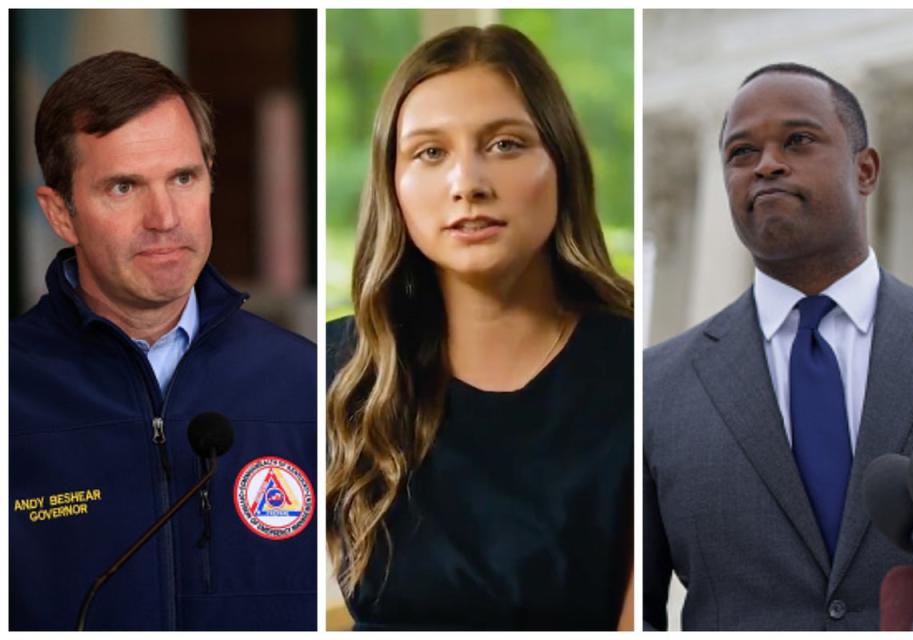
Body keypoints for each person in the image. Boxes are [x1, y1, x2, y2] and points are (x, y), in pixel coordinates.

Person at [326, 25, 634, 631]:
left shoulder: (639, 376)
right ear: (393, 184)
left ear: (562, 164)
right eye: (430, 152)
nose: (468, 184)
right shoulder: (336, 373)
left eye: (505, 144)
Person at [10, 51, 317, 631]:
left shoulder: (305, 380)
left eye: (183, 178)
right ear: (61, 215)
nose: (164, 216)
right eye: (124, 187)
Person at [643, 63, 913, 630]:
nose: (766, 164)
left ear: (866, 169)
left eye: (798, 140)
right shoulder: (654, 387)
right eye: (740, 153)